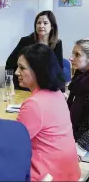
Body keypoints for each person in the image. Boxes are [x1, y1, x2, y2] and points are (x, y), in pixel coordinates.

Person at [15, 43, 80, 181]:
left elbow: (13, 145)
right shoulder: (57, 94)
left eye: (22, 68)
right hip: (69, 172)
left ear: (38, 71)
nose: (16, 72)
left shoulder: (34, 104)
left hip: (48, 176)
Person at [6, 10, 63, 91]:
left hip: (46, 84)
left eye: (45, 23)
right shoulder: (26, 41)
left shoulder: (57, 43)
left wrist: (61, 90)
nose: (41, 26)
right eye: (38, 23)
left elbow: (59, 69)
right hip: (26, 84)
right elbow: (10, 63)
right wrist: (12, 85)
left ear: (52, 26)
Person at [67, 39, 89, 161]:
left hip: (83, 145)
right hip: (72, 137)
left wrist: (79, 148)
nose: (71, 58)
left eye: (77, 54)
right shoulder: (79, 77)